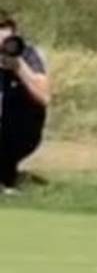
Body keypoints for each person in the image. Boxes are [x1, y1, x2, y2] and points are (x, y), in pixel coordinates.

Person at [0, 11, 50, 194]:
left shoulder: (27, 55)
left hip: (19, 128)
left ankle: (8, 179)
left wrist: (19, 68)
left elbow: (43, 97)